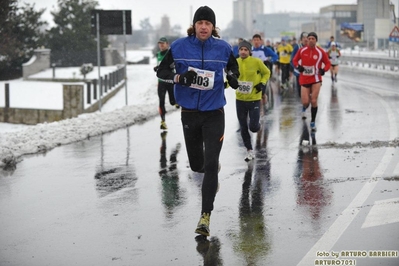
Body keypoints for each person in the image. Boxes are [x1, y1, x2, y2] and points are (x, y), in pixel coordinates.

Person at [156, 6, 240, 237]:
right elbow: (161, 71)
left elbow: (233, 66)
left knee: (211, 164)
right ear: (195, 26)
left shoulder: (223, 48)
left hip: (214, 113)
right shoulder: (179, 46)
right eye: (200, 22)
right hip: (190, 113)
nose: (204, 26)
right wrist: (179, 77)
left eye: (208, 23)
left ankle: (205, 216)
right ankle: (210, 174)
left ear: (213, 27)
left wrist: (233, 76)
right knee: (196, 166)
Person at [235, 40, 270, 162]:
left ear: (249, 51)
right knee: (243, 126)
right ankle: (249, 150)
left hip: (254, 98)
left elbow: (266, 73)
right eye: (241, 49)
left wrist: (262, 83)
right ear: (238, 51)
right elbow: (231, 78)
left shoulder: (256, 62)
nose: (243, 52)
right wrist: (225, 84)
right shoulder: (235, 62)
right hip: (240, 99)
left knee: (253, 127)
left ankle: (257, 124)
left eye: (246, 50)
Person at [292, 32, 331, 131]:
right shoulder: (302, 50)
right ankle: (305, 107)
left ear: (316, 40)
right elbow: (294, 60)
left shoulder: (320, 51)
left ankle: (313, 122)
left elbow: (327, 63)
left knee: (313, 100)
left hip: (316, 79)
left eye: (313, 38)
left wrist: (323, 70)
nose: (310, 40)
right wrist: (298, 67)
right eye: (309, 38)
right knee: (305, 102)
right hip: (304, 78)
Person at [153, 37, 177, 130]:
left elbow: (172, 65)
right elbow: (160, 65)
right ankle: (163, 121)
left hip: (170, 82)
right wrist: (157, 68)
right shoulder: (158, 54)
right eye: (160, 44)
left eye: (163, 43)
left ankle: (176, 102)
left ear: (167, 44)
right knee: (161, 102)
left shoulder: (170, 54)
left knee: (172, 102)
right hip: (161, 82)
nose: (161, 45)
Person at [251, 34, 278, 109]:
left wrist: (269, 60)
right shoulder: (250, 50)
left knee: (261, 91)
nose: (256, 42)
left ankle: (263, 98)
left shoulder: (265, 49)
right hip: (252, 73)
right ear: (252, 41)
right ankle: (256, 108)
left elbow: (275, 56)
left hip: (263, 73)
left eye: (257, 40)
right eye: (254, 40)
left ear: (260, 41)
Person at [290, 32, 309, 97]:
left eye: (307, 37)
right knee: (300, 88)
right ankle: (302, 101)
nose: (305, 39)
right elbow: (292, 59)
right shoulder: (297, 47)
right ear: (301, 39)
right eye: (304, 38)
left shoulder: (312, 47)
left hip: (309, 72)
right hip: (299, 71)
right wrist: (297, 67)